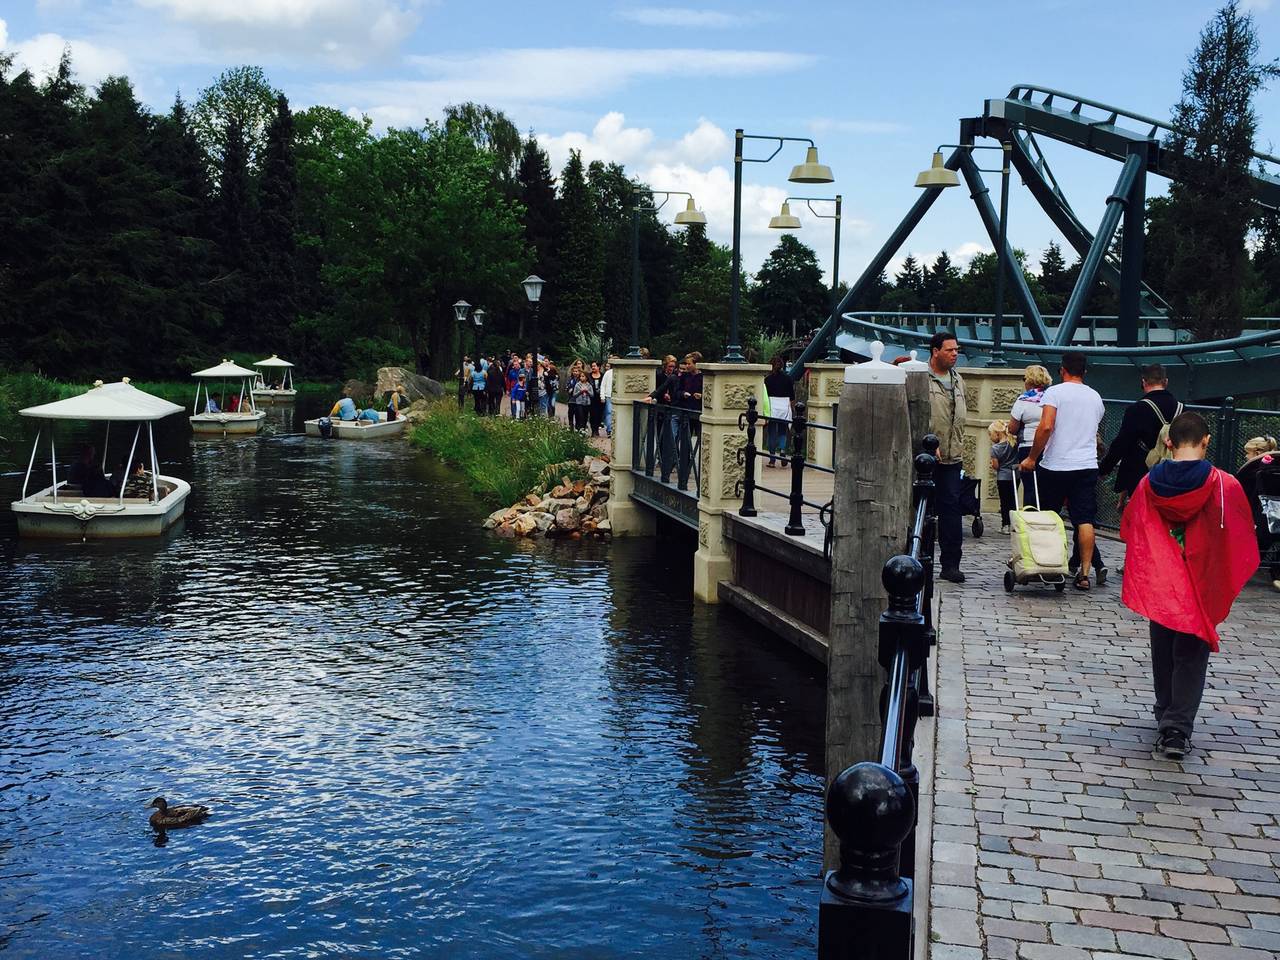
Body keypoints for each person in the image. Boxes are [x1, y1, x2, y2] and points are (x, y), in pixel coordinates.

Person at [1120, 412, 1259, 760]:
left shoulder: (1149, 483)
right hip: (1199, 582)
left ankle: (1165, 711)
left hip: (1163, 581)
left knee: (1163, 650)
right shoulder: (1224, 484)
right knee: (1190, 657)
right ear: (1206, 440)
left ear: (1168, 442)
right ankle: (1177, 729)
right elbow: (1240, 535)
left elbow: (1132, 529)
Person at [1019, 352, 1105, 591]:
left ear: (1061, 370)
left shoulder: (1054, 393)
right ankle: (1085, 573)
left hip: (1056, 464)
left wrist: (1032, 457)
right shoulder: (1096, 397)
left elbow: (1046, 426)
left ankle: (1048, 564)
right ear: (1084, 372)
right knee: (1085, 519)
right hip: (1086, 465)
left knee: (1048, 516)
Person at [1099, 363, 1182, 512]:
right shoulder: (1182, 409)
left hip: (1142, 472)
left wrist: (1104, 468)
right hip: (1174, 472)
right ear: (1166, 382)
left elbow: (1122, 443)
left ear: (1143, 382)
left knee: (1142, 516)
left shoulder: (1137, 409)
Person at [927, 331, 968, 583]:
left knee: (952, 510)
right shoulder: (921, 378)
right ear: (935, 352)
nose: (955, 354)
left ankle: (951, 564)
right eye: (950, 350)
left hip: (953, 457)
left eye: (956, 350)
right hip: (926, 456)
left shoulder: (958, 380)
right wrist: (928, 441)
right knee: (921, 507)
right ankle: (917, 557)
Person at [1236, 435, 1280, 591]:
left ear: (1256, 452)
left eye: (1247, 453)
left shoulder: (1250, 472)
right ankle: (1276, 572)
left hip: (1257, 521)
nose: (1246, 456)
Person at [1007, 364, 1052, 497]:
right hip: (1049, 446)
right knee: (1046, 485)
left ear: (1029, 380)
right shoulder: (1051, 398)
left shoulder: (1023, 400)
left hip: (1028, 446)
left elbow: (1013, 428)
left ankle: (1031, 513)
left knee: (1030, 486)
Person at [762, 355, 794, 467]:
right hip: (784, 406)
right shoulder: (788, 378)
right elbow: (792, 397)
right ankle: (782, 451)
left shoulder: (767, 380)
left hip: (772, 407)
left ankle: (772, 459)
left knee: (771, 433)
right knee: (782, 431)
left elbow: (764, 396)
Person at [988, 421, 1017, 534]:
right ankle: (1015, 524)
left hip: (1003, 477)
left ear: (997, 433)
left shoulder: (995, 449)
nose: (990, 437)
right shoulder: (1013, 443)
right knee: (1013, 500)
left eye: (991, 434)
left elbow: (996, 466)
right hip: (1015, 475)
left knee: (1004, 501)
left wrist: (992, 464)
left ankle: (1006, 525)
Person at [588, 361, 605, 437]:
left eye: (594, 366)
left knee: (599, 414)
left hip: (600, 398)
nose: (593, 367)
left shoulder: (603, 376)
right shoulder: (589, 376)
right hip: (591, 398)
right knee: (592, 414)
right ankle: (593, 430)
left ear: (598, 367)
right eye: (592, 366)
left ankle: (597, 429)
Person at [601, 361, 614, 437]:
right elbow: (603, 385)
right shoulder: (608, 373)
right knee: (609, 412)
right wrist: (602, 396)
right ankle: (609, 430)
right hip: (609, 396)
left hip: (617, 396)